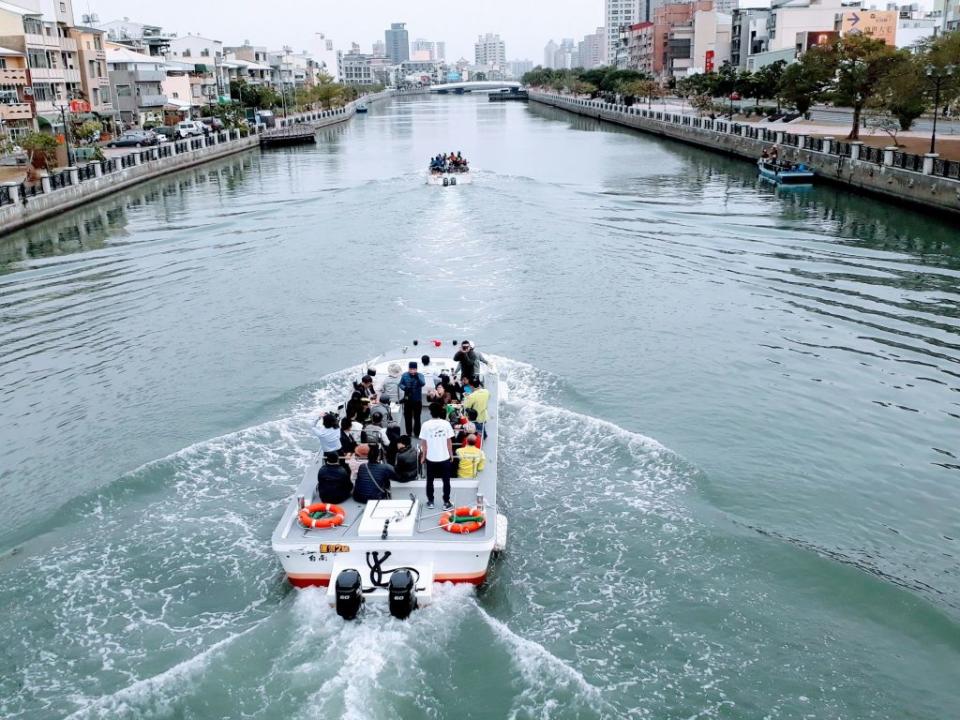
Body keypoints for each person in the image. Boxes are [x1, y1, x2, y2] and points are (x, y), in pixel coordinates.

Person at [419, 401, 454, 509]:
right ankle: (446, 502)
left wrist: (423, 456)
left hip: (431, 458)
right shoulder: (446, 424)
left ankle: (430, 502)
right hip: (444, 458)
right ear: (440, 412)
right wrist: (451, 454)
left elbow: (424, 443)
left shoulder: (425, 425)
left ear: (430, 412)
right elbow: (449, 442)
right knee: (446, 481)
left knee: (430, 481)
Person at [399, 361, 426, 437]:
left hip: (417, 400)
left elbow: (423, 383)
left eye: (414, 369)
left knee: (417, 417)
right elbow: (400, 384)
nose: (412, 370)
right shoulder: (404, 375)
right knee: (407, 417)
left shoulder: (420, 375)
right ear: (409, 368)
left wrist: (417, 377)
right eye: (410, 369)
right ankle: (409, 432)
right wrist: (405, 388)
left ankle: (417, 433)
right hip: (407, 400)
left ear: (416, 369)